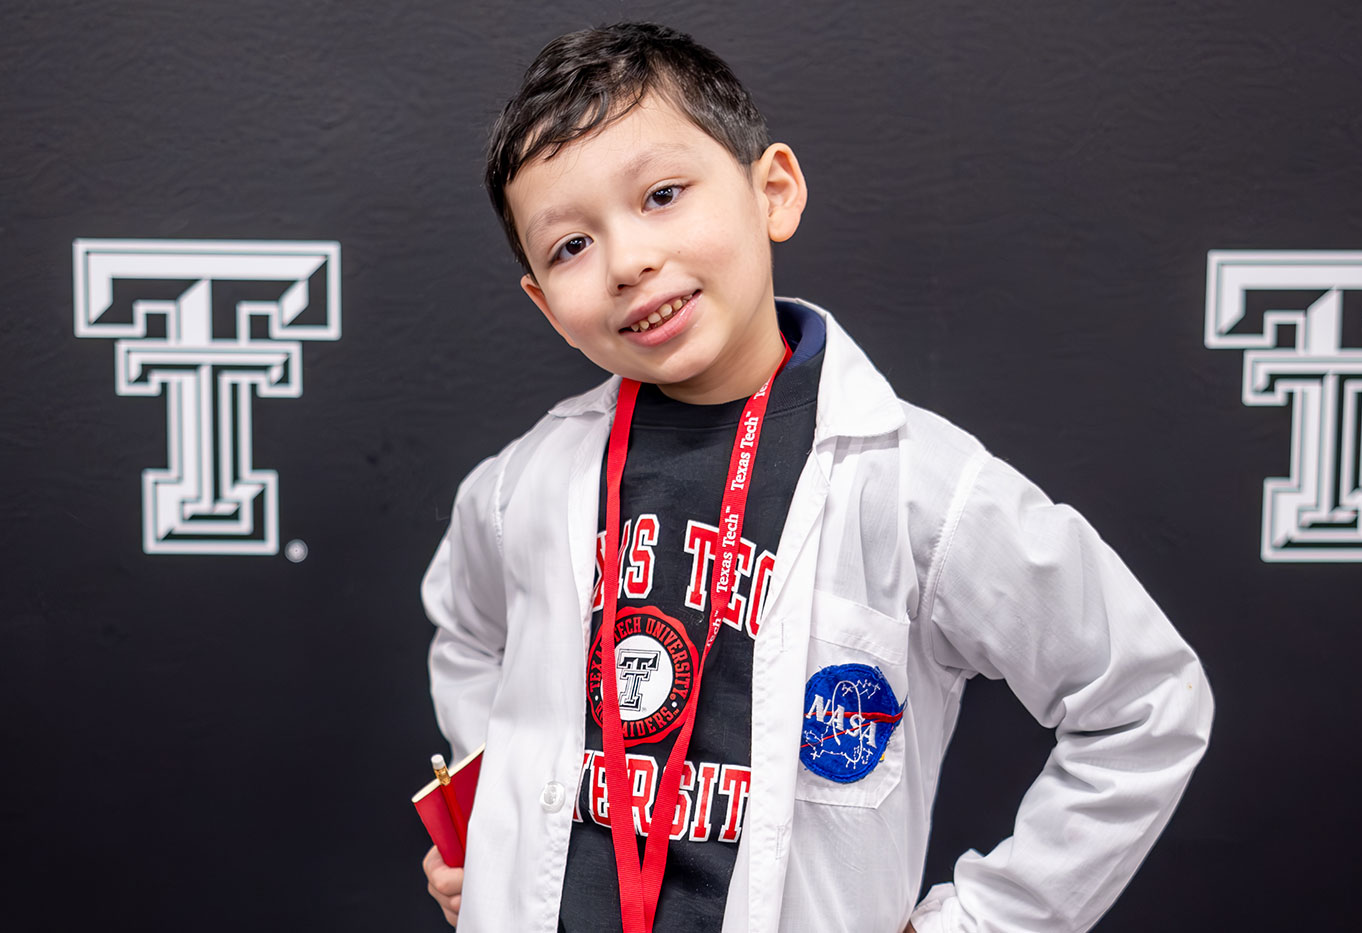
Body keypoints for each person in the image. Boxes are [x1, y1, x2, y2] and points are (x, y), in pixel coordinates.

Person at [420, 21, 1212, 933]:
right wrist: (501, 818)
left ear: (775, 193)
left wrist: (981, 921)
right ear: (545, 308)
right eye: (570, 247)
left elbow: (1144, 703)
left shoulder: (919, 486)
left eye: (664, 194)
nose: (630, 260)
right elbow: (468, 632)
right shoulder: (525, 483)